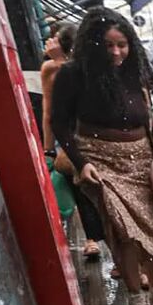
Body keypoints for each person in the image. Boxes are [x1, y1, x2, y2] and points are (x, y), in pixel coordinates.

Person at [50, 7, 153, 305]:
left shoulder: (135, 69)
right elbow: (60, 122)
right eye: (108, 45)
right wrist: (81, 162)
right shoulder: (73, 74)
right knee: (123, 230)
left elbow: (148, 112)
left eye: (122, 45)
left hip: (142, 157)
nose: (116, 52)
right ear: (92, 45)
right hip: (100, 160)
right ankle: (136, 294)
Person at [41, 23, 107, 260]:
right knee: (82, 186)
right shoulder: (50, 69)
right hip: (71, 136)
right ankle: (93, 239)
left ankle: (108, 244)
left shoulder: (92, 68)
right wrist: (49, 149)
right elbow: (49, 111)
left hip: (93, 133)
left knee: (98, 189)